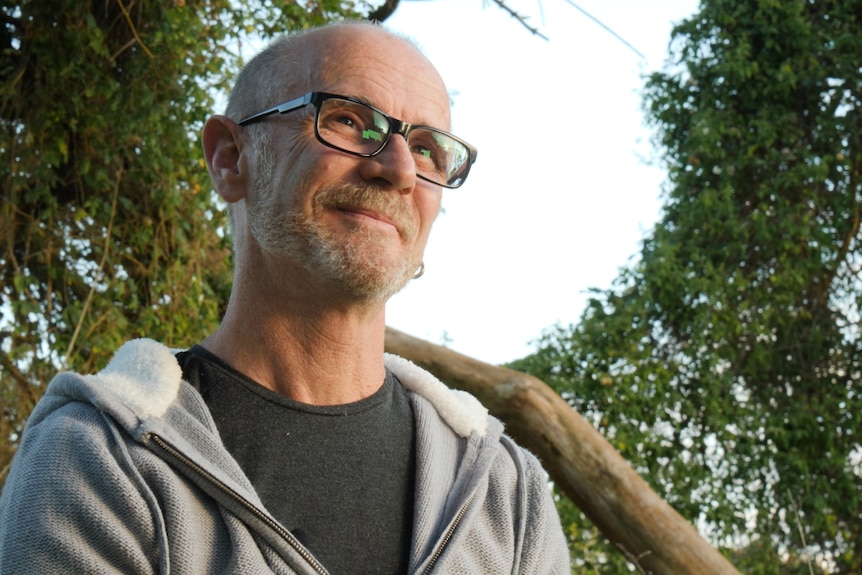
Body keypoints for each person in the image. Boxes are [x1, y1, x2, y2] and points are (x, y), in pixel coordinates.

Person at [0, 21, 570, 574]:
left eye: (427, 150)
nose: (397, 169)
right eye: (348, 121)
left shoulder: (502, 490)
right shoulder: (99, 458)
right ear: (230, 157)